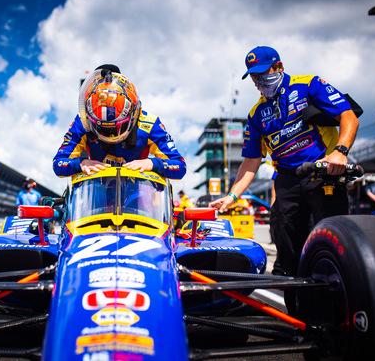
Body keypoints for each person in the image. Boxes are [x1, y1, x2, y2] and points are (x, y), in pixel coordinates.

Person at [209, 46, 359, 313]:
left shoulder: (309, 84)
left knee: (331, 242)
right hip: (287, 181)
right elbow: (251, 161)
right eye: (253, 77)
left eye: (261, 74)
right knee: (287, 251)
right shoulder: (256, 115)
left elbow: (348, 117)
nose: (258, 82)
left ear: (278, 67)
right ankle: (299, 318)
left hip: (324, 173)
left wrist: (341, 152)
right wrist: (232, 197)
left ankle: (346, 308)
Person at [53, 65, 186, 180]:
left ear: (133, 112)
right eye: (103, 127)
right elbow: (58, 163)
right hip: (96, 197)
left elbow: (180, 166)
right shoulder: (83, 121)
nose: (111, 135)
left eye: (116, 127)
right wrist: (81, 163)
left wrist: (153, 163)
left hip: (138, 198)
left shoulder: (150, 124)